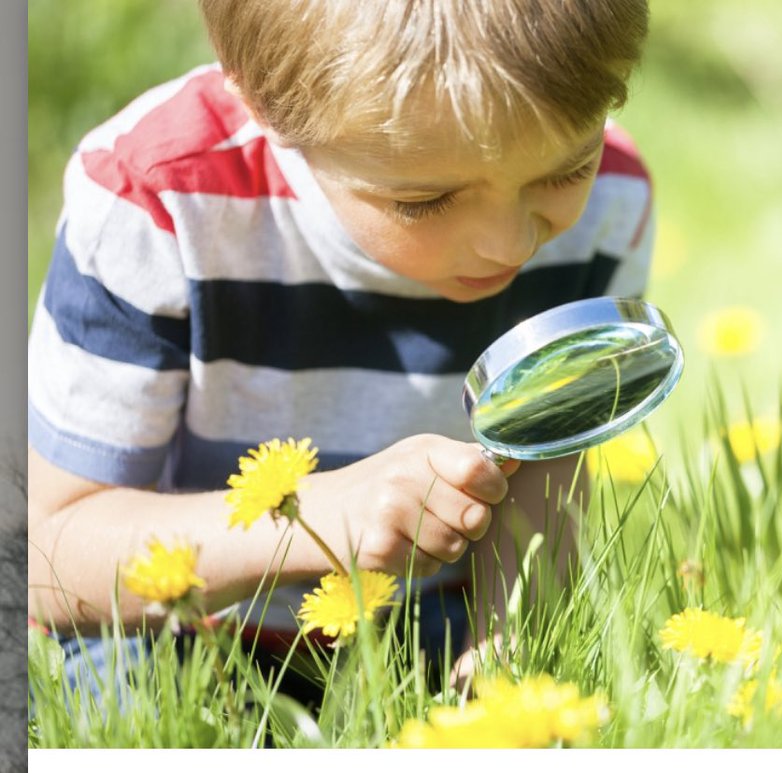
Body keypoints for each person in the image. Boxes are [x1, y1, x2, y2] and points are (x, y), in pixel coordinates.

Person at [28, 0, 653, 703]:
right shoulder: (159, 200)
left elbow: (546, 463)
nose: (509, 244)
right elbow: (47, 557)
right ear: (264, 105)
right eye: (425, 201)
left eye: (566, 171)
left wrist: (506, 644)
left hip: (424, 625)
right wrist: (318, 521)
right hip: (174, 632)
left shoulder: (613, 200)